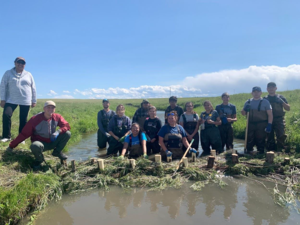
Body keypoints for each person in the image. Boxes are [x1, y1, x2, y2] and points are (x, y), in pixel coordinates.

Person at [6, 101, 71, 170]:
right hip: (41, 144)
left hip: (52, 141)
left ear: (54, 109)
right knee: (35, 145)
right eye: (48, 107)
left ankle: (57, 152)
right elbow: (24, 134)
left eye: (52, 108)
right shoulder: (35, 119)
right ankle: (39, 160)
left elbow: (66, 126)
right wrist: (11, 146)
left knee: (67, 133)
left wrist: (58, 131)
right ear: (44, 109)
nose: (50, 109)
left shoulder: (57, 117)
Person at [0, 57, 37, 142]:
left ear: (25, 65)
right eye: (18, 62)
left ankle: (21, 138)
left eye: (23, 63)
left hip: (25, 100)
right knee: (6, 115)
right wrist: (3, 99)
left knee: (23, 119)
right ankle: (6, 136)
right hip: (10, 99)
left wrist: (34, 100)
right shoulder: (8, 73)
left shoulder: (29, 74)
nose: (20, 64)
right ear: (15, 63)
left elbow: (33, 88)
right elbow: (3, 86)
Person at [241, 86, 273, 154]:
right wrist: (245, 109)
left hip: (261, 124)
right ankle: (249, 151)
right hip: (251, 123)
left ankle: (260, 152)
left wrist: (269, 124)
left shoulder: (265, 102)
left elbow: (270, 114)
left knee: (260, 138)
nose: (256, 93)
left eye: (257, 92)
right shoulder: (248, 102)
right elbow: (243, 113)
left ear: (261, 93)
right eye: (254, 92)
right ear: (251, 93)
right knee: (249, 138)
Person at [264, 82, 290, 151]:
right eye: (269, 87)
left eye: (273, 87)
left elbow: (288, 108)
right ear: (267, 89)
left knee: (281, 135)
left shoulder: (281, 97)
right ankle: (270, 151)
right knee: (269, 137)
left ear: (276, 88)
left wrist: (282, 102)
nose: (271, 88)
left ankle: (280, 150)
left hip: (279, 119)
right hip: (268, 120)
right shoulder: (265, 99)